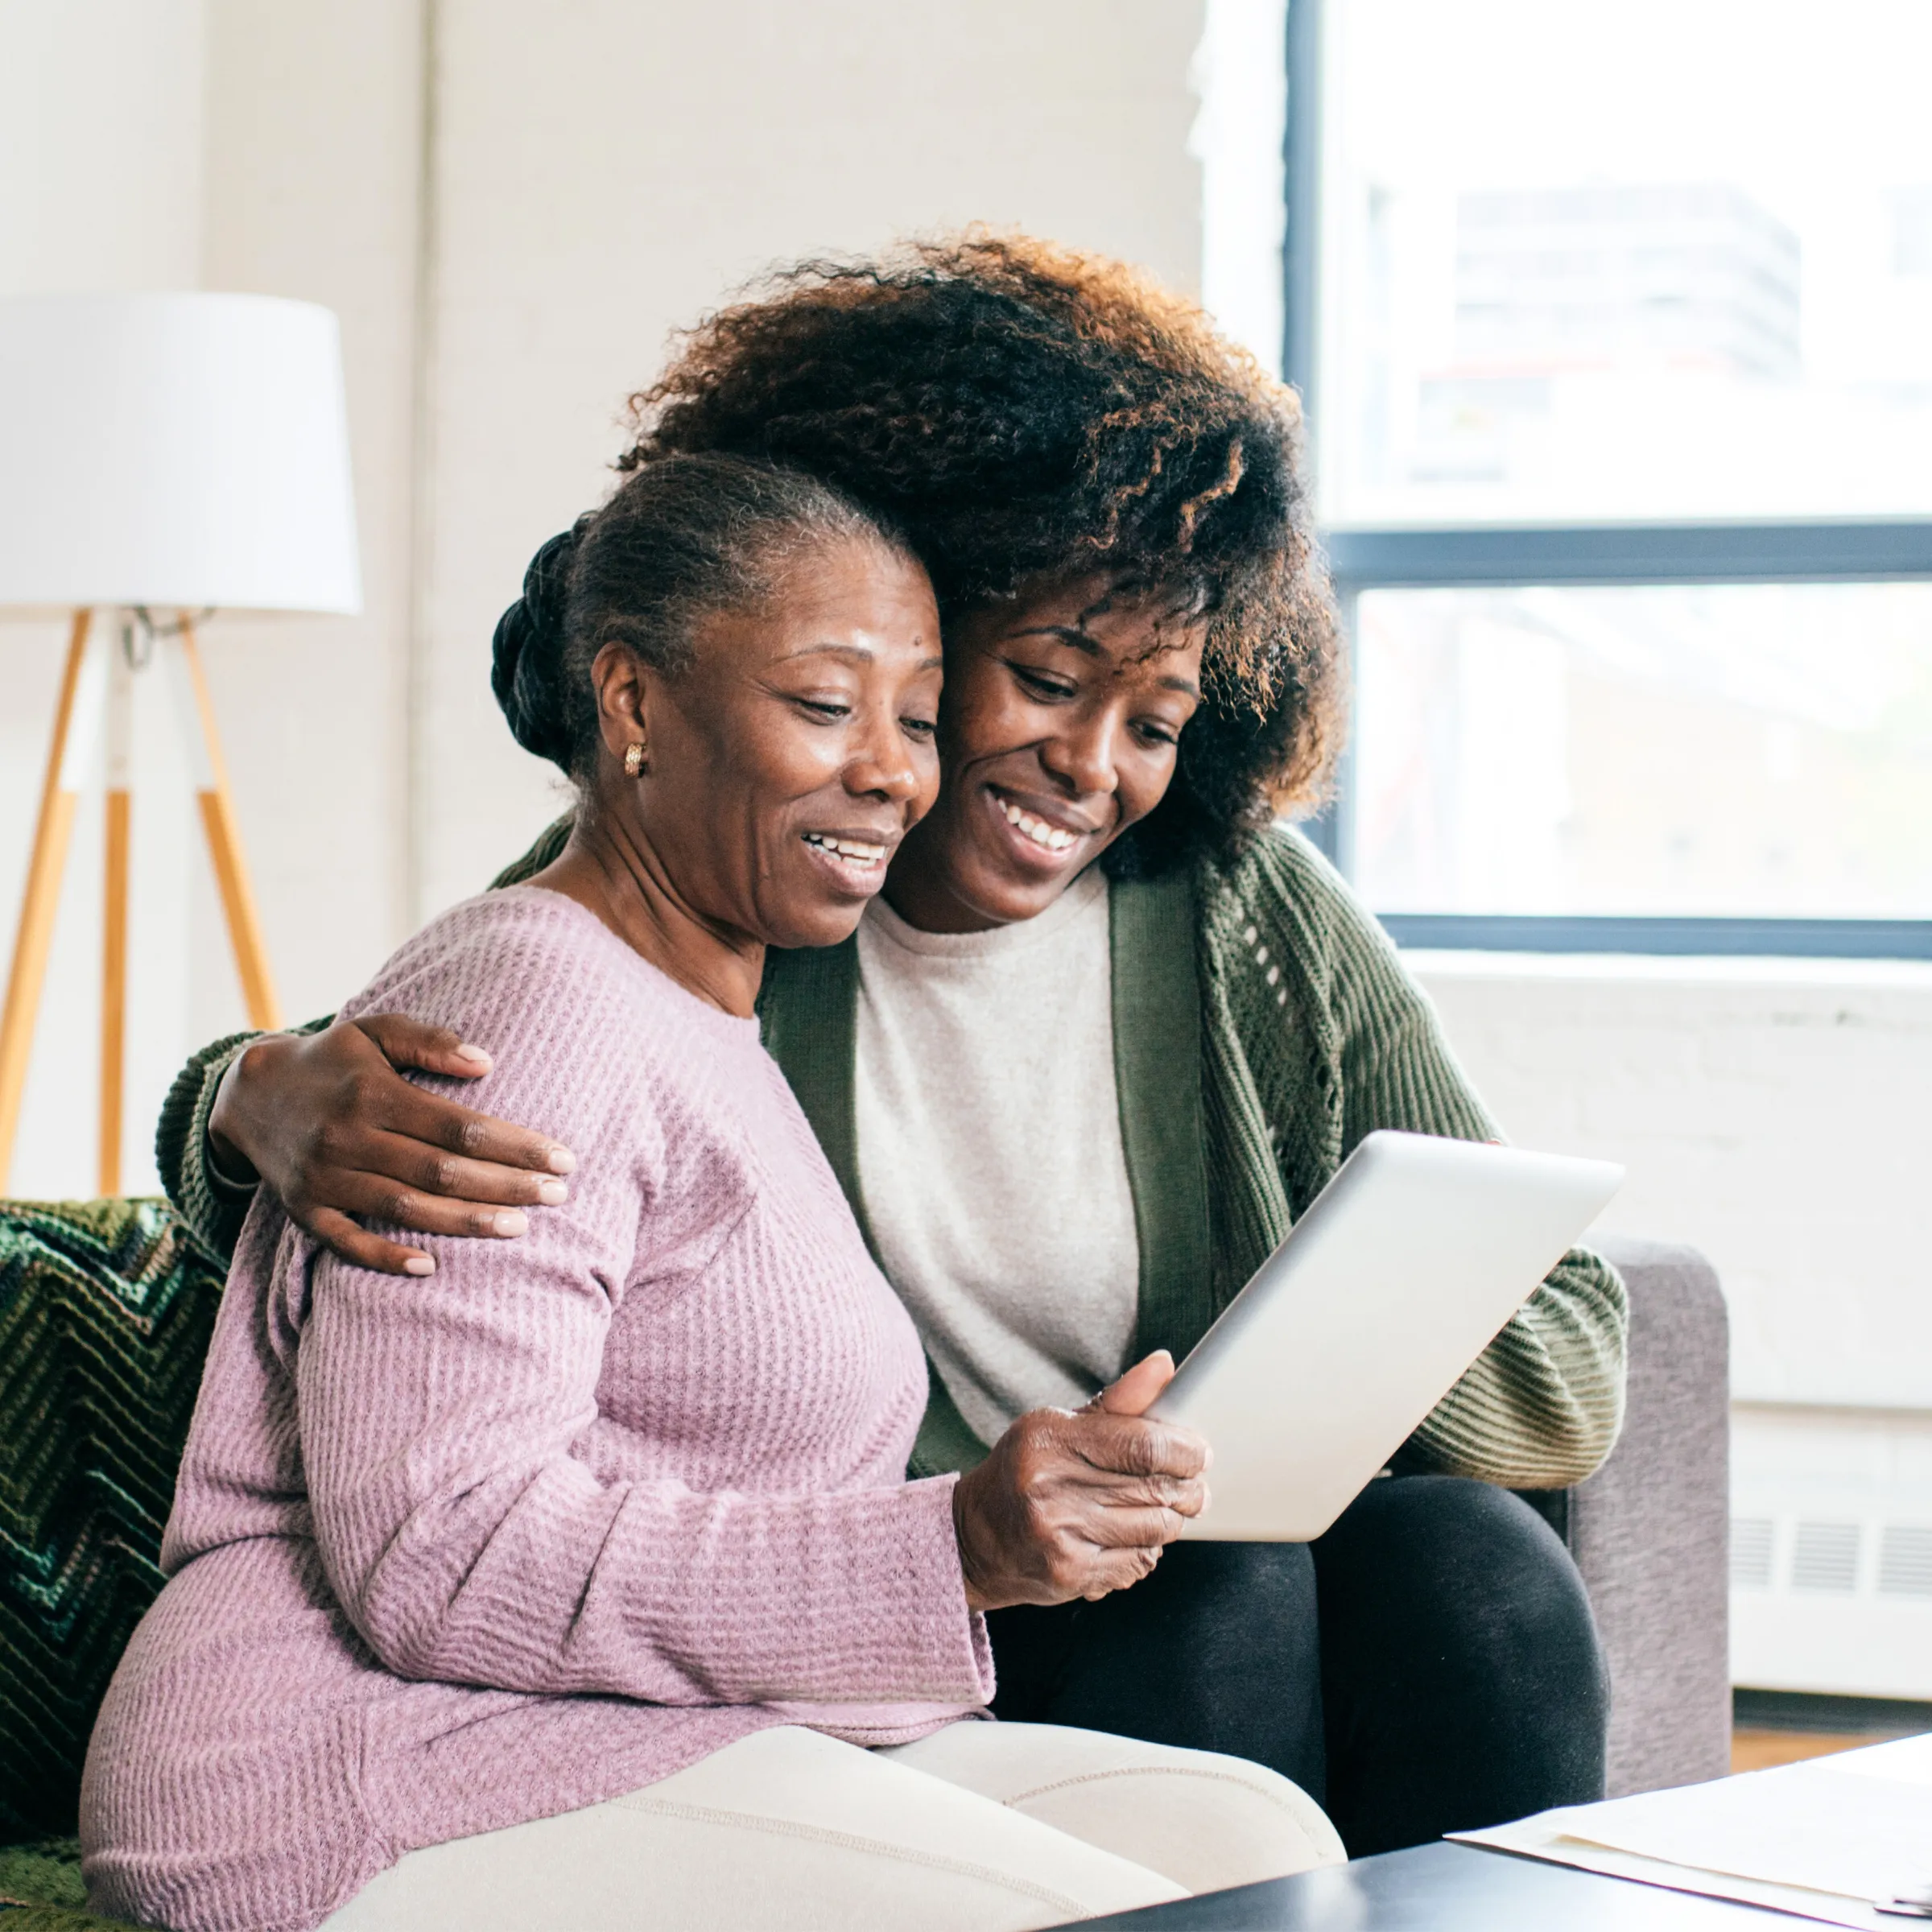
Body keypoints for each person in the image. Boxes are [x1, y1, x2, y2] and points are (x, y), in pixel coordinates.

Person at [155, 235, 1626, 1858]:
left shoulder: (1244, 918)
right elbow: (460, 1081)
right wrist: (239, 1098)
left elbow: (1567, 1346)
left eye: (1154, 722)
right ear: (926, 608)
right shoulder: (719, 898)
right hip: (913, 1586)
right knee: (1226, 1594)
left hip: (1159, 1527)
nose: (1088, 768)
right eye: (1044, 681)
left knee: (1478, 1568)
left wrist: (1296, 1367)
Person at [85, 454, 1343, 1932]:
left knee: (1256, 1837)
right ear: (633, 705)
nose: (892, 771)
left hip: (635, 1730)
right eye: (825, 706)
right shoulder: (531, 1005)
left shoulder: (715, 1020)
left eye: (919, 721)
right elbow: (442, 1552)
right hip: (351, 1767)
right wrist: (956, 1546)